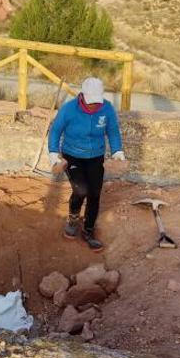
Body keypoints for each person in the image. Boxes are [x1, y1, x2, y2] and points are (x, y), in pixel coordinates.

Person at [47, 77, 127, 252]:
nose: (93, 106)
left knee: (95, 193)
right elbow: (55, 131)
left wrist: (117, 151)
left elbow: (112, 131)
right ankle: (73, 219)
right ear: (82, 95)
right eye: (90, 102)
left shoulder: (107, 108)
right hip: (72, 156)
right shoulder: (69, 109)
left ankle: (89, 230)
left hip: (95, 156)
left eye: (96, 102)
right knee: (80, 189)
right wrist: (54, 155)